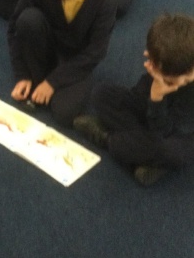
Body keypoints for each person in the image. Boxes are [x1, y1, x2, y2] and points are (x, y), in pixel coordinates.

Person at [8, 0, 117, 126]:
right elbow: (13, 29)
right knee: (28, 20)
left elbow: (96, 52)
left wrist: (53, 82)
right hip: (48, 47)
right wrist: (22, 74)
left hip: (78, 60)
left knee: (64, 113)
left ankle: (46, 80)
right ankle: (39, 77)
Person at [74, 13, 194, 186]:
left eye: (187, 78)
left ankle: (108, 139)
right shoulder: (165, 63)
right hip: (153, 121)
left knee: (170, 150)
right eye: (167, 80)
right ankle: (145, 158)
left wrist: (157, 98)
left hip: (178, 133)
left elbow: (165, 131)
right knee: (101, 94)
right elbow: (138, 97)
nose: (181, 83)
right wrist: (151, 90)